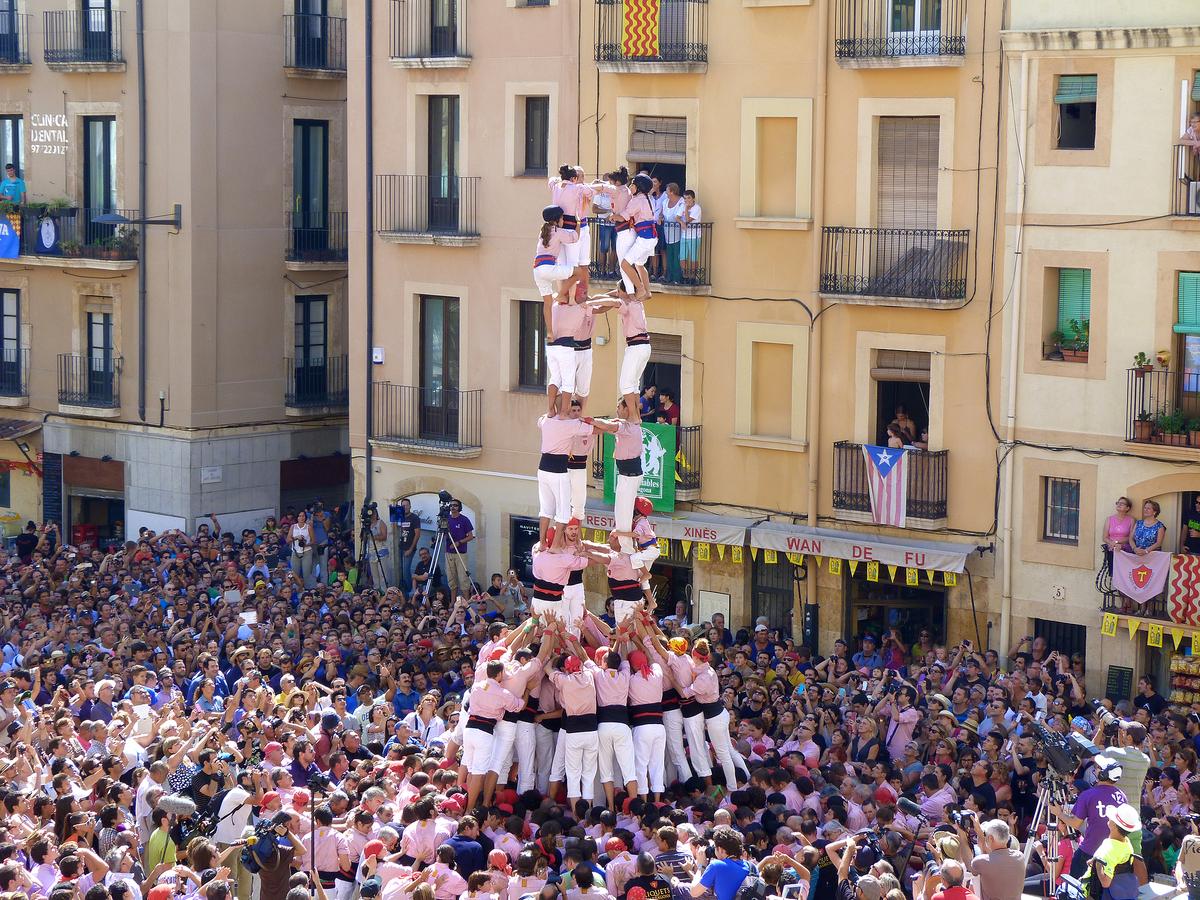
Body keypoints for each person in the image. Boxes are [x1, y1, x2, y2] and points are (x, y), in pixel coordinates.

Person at [965, 819, 1024, 900]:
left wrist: (962, 834)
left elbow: (968, 865)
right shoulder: (1020, 856)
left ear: (990, 838)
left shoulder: (981, 862)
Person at [444, 499, 475, 599]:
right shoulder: (447, 519)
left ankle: (466, 601)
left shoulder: (464, 520)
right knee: (451, 578)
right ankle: (453, 601)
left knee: (463, 579)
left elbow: (470, 536)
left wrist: (459, 543)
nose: (453, 507)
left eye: (455, 505)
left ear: (459, 507)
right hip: (449, 553)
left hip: (460, 553)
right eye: (451, 505)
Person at [659, 183, 685, 284]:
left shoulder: (681, 201)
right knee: (669, 255)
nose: (665, 192)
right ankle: (669, 277)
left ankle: (677, 278)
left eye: (667, 190)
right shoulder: (665, 201)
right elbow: (662, 214)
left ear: (672, 192)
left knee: (677, 256)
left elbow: (677, 216)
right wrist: (661, 217)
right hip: (667, 232)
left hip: (679, 233)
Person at [395, 497, 421, 592]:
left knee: (406, 571)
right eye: (403, 506)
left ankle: (410, 592)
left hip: (409, 548)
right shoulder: (400, 516)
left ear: (410, 506)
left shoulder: (414, 518)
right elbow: (394, 527)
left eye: (406, 505)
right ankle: (402, 589)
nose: (404, 507)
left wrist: (411, 549)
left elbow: (417, 534)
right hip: (400, 547)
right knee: (400, 570)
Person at [679, 190, 703, 283]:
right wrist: (681, 222)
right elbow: (677, 217)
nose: (686, 200)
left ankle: (693, 277)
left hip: (694, 236)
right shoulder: (682, 205)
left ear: (693, 198)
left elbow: (688, 220)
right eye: (685, 198)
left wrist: (685, 209)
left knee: (693, 257)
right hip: (684, 235)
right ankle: (684, 276)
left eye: (688, 198)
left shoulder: (697, 208)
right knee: (682, 256)